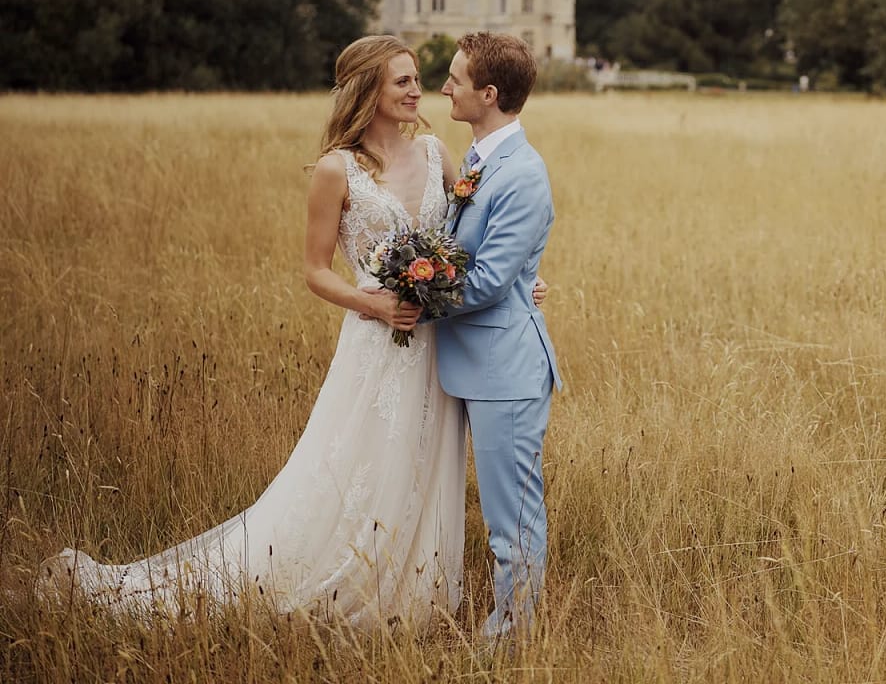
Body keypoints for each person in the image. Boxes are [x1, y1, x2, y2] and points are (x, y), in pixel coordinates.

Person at [39, 35, 544, 626]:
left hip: (437, 347)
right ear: (368, 92)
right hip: (377, 343)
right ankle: (335, 580)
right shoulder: (338, 170)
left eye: (418, 78)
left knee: (424, 466)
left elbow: (466, 246)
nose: (419, 89)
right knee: (359, 466)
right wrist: (373, 304)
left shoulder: (437, 154)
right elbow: (313, 272)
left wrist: (518, 284)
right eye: (402, 81)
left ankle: (413, 595)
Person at [432, 32, 561, 645]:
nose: (444, 87)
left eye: (455, 79)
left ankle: (513, 633)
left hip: (506, 369)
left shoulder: (523, 174)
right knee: (501, 512)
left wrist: (407, 297)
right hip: (475, 361)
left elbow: (483, 282)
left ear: (488, 94)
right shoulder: (482, 158)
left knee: (511, 517)